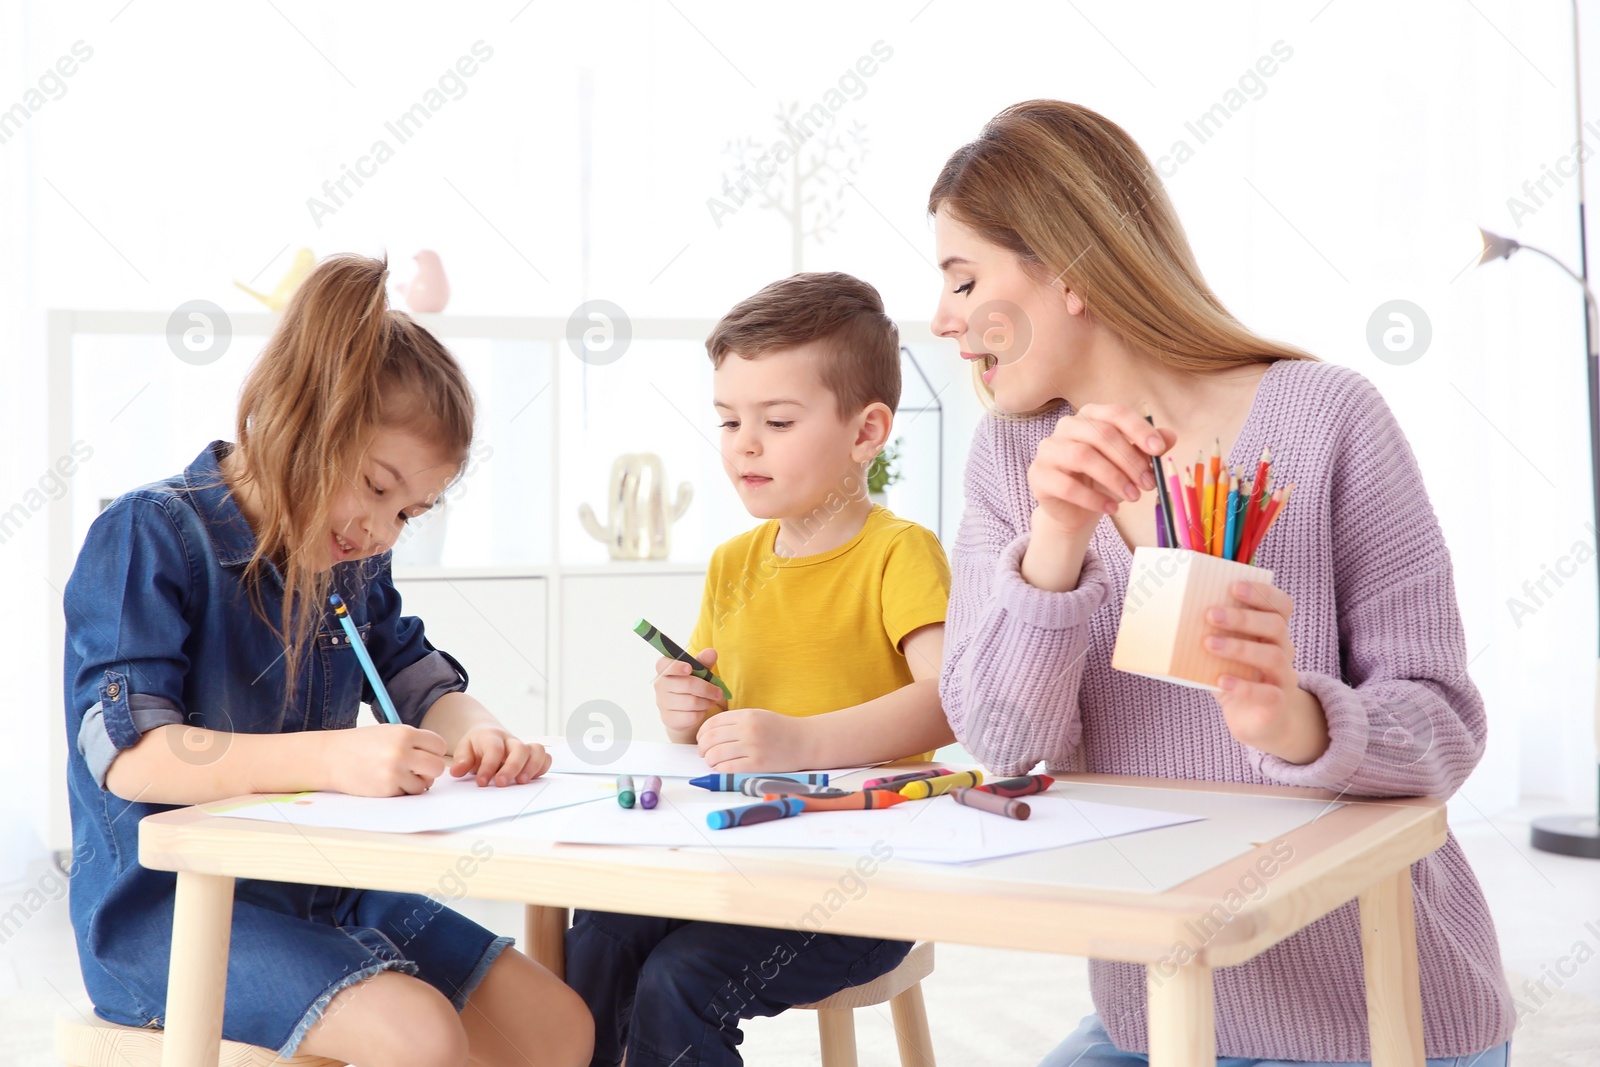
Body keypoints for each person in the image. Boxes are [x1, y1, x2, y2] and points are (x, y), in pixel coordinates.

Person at [931, 100, 1514, 1066]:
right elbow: (1004, 746)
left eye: (963, 278)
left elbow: (1445, 726)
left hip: (1380, 1019)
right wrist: (1055, 546)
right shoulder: (1010, 462)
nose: (945, 318)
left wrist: (1298, 722)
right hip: (1158, 1010)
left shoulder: (1328, 419)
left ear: (1068, 270)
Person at [63, 253, 592, 1066]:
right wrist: (332, 758)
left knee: (558, 1024)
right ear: (301, 415)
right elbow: (132, 757)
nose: (383, 529)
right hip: (170, 916)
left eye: (409, 512)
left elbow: (415, 675)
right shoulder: (152, 535)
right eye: (378, 487)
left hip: (319, 885)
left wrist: (479, 731)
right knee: (418, 1033)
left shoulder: (346, 560)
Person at [565, 271, 953, 1066]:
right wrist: (690, 713)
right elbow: (726, 723)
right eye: (729, 418)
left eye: (776, 420)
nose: (744, 441)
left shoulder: (898, 553)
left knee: (677, 981)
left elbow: (948, 702)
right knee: (596, 933)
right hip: (736, 855)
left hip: (861, 888)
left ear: (866, 431)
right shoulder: (732, 563)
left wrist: (800, 742)